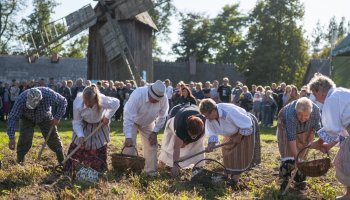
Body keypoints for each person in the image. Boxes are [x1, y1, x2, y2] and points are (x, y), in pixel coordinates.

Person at [307, 74, 350, 200]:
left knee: (344, 161)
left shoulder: (331, 99)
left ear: (319, 91)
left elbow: (331, 129)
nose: (316, 99)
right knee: (343, 158)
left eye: (315, 95)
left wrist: (318, 142)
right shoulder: (341, 92)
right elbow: (340, 130)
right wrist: (328, 145)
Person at [199, 99, 261, 184]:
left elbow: (247, 124)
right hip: (231, 131)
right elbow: (212, 132)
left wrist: (239, 136)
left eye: (207, 116)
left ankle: (235, 179)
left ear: (213, 111)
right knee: (227, 151)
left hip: (244, 126)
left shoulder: (229, 112)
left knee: (240, 152)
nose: (206, 118)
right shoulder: (210, 118)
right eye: (205, 116)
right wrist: (211, 144)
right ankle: (230, 173)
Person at [64, 86, 120, 172]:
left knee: (98, 146)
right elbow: (76, 122)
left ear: (95, 99)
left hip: (99, 125)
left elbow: (116, 102)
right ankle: (71, 168)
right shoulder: (77, 102)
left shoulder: (103, 100)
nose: (87, 103)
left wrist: (107, 116)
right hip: (84, 124)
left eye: (90, 101)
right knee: (77, 145)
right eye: (85, 101)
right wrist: (80, 135)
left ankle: (98, 169)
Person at [7, 87, 67, 163]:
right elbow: (13, 117)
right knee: (24, 138)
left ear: (40, 100)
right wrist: (11, 137)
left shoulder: (49, 94)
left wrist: (57, 117)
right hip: (26, 118)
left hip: (45, 116)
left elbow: (63, 101)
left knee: (53, 138)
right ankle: (20, 162)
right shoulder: (21, 100)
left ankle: (62, 162)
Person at [123, 80, 169, 176]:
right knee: (130, 146)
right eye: (154, 98)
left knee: (152, 145)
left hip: (149, 122)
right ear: (149, 92)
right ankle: (126, 171)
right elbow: (128, 117)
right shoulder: (138, 95)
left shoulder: (163, 98)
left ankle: (150, 172)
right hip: (133, 121)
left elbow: (163, 116)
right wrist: (128, 136)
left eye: (157, 99)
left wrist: (155, 132)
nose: (156, 101)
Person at [276, 97, 321, 190]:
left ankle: (299, 180)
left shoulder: (316, 112)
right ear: (296, 111)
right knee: (288, 153)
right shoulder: (290, 114)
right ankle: (285, 179)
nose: (302, 118)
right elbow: (291, 138)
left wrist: (311, 135)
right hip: (285, 126)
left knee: (302, 155)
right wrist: (296, 157)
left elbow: (316, 128)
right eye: (300, 115)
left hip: (306, 128)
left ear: (310, 113)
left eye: (306, 116)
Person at [158, 104, 206, 176]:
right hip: (177, 118)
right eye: (192, 135)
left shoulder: (204, 122)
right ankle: (163, 162)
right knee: (171, 144)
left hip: (192, 111)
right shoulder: (180, 127)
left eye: (195, 135)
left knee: (198, 146)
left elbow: (203, 134)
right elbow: (176, 148)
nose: (194, 137)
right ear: (187, 129)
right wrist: (175, 165)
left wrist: (189, 141)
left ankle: (198, 167)